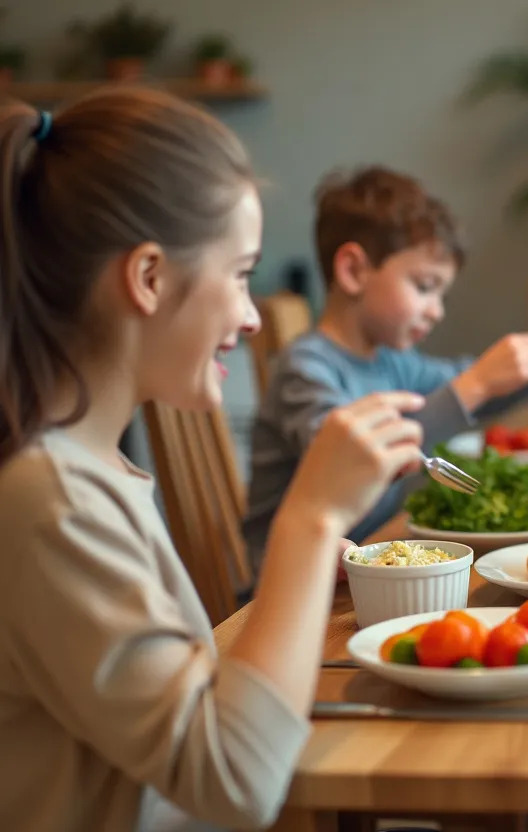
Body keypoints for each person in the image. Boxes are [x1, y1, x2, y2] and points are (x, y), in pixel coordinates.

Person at [0, 89, 429, 830]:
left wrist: (311, 552)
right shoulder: (52, 500)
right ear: (148, 279)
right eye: (238, 274)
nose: (253, 314)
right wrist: (310, 518)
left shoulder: (92, 475)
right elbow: (235, 783)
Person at [243, 167, 528, 569]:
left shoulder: (391, 361)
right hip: (288, 590)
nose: (437, 311)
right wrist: (477, 383)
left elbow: (466, 390)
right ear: (353, 271)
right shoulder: (306, 369)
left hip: (367, 562)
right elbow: (354, 462)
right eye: (423, 286)